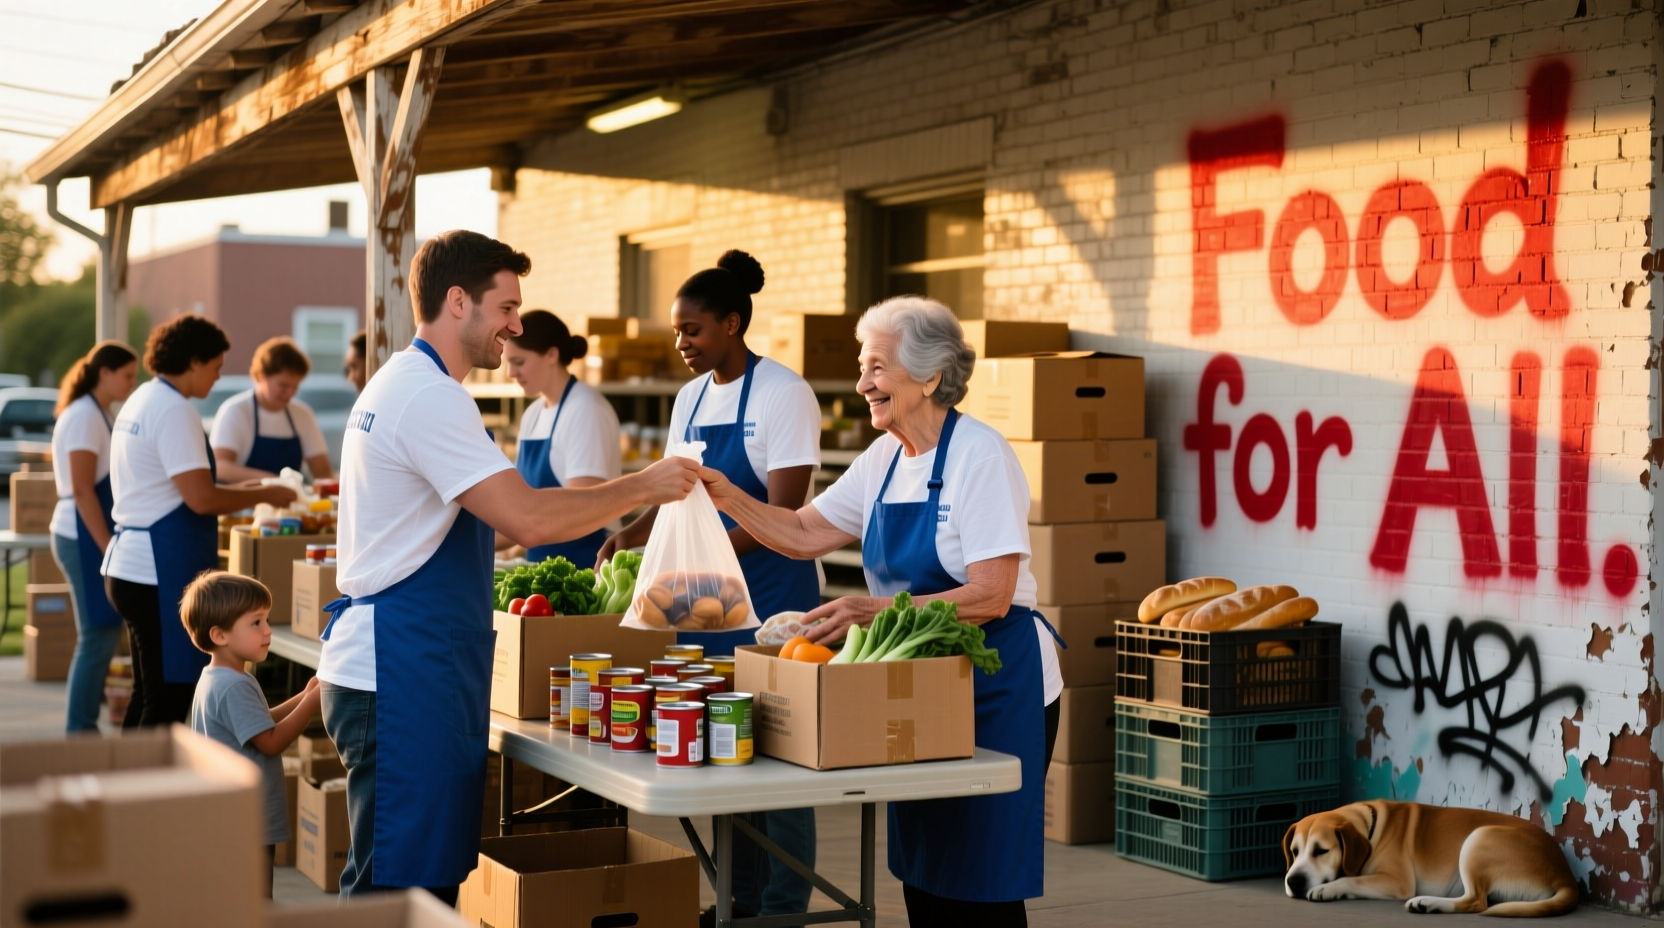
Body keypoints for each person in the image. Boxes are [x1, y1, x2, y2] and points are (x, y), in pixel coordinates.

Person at [316, 230, 699, 903]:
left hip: (414, 667)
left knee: (413, 886)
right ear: (457, 301)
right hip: (404, 674)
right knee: (396, 895)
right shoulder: (428, 397)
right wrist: (646, 486)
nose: (515, 326)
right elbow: (528, 520)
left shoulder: (407, 384)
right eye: (506, 308)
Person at [699, 296, 1064, 928]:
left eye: (877, 367)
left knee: (981, 884)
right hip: (918, 686)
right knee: (925, 874)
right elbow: (804, 532)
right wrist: (726, 493)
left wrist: (874, 612)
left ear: (928, 377)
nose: (862, 382)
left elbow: (991, 594)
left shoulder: (981, 456)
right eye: (863, 367)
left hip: (997, 684)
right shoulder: (884, 460)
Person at [599, 250, 822, 926]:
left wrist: (709, 552)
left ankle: (781, 911)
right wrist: (631, 535)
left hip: (775, 605)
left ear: (732, 323)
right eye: (676, 331)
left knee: (781, 770)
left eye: (692, 330)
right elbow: (676, 493)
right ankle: (736, 902)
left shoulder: (785, 394)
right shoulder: (690, 399)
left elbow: (785, 516)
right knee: (727, 760)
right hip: (709, 607)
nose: (682, 344)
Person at [104, 316, 297, 728]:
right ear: (193, 361)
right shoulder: (173, 410)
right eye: (215, 365)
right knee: (169, 699)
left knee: (148, 692)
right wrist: (266, 491)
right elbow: (201, 497)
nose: (217, 376)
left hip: (130, 563)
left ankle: (130, 784)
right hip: (155, 570)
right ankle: (157, 790)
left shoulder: (142, 398)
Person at [183, 571, 322, 898]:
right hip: (249, 820)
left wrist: (303, 696)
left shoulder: (215, 677)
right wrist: (313, 704)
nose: (268, 631)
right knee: (256, 903)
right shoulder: (235, 685)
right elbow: (271, 742)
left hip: (228, 817)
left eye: (267, 620)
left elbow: (258, 724)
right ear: (219, 634)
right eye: (256, 623)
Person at [51, 340, 139, 733]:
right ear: (104, 373)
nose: (132, 383)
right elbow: (83, 488)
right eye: (127, 375)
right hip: (83, 535)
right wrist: (108, 550)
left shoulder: (98, 413)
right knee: (96, 637)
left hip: (90, 533)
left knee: (102, 636)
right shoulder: (85, 415)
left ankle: (82, 728)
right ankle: (79, 730)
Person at [500, 310, 621, 566]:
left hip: (585, 571)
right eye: (507, 362)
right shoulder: (532, 415)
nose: (510, 372)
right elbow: (520, 504)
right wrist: (508, 552)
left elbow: (583, 510)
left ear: (551, 355)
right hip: (539, 572)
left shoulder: (585, 409)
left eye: (519, 362)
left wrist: (500, 539)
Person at [210, 336, 334, 482]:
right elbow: (220, 466)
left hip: (292, 504)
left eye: (295, 386)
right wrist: (274, 481)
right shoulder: (235, 411)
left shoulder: (303, 414)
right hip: (244, 504)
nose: (290, 392)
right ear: (262, 375)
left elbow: (323, 473)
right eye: (284, 385)